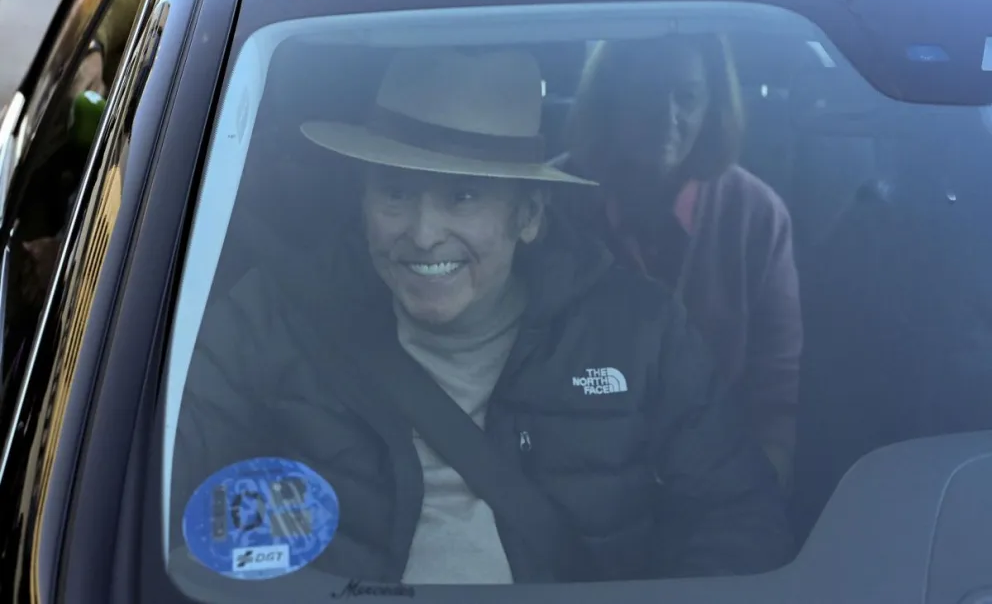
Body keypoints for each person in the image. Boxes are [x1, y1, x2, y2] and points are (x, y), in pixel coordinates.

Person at [170, 47, 792, 586]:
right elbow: (156, 483)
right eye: (394, 192)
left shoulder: (638, 332)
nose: (422, 233)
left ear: (529, 216)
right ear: (361, 199)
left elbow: (739, 518)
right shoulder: (275, 318)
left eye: (463, 196)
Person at [565, 36, 802, 486]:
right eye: (645, 93)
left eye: (687, 96)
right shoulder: (554, 203)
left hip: (719, 481)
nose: (667, 116)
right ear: (609, 100)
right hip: (571, 478)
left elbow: (777, 393)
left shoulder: (755, 215)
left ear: (712, 105)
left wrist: (759, 504)